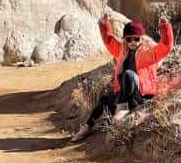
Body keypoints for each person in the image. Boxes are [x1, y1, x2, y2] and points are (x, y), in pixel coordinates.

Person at [70, 13, 174, 142]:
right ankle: (87, 127)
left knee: (128, 74)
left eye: (136, 39)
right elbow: (109, 41)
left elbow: (166, 46)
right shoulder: (121, 51)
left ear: (141, 39)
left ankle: (122, 108)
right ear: (124, 39)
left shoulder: (148, 53)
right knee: (103, 101)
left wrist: (165, 26)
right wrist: (104, 25)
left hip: (141, 96)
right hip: (124, 93)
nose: (132, 42)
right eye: (129, 39)